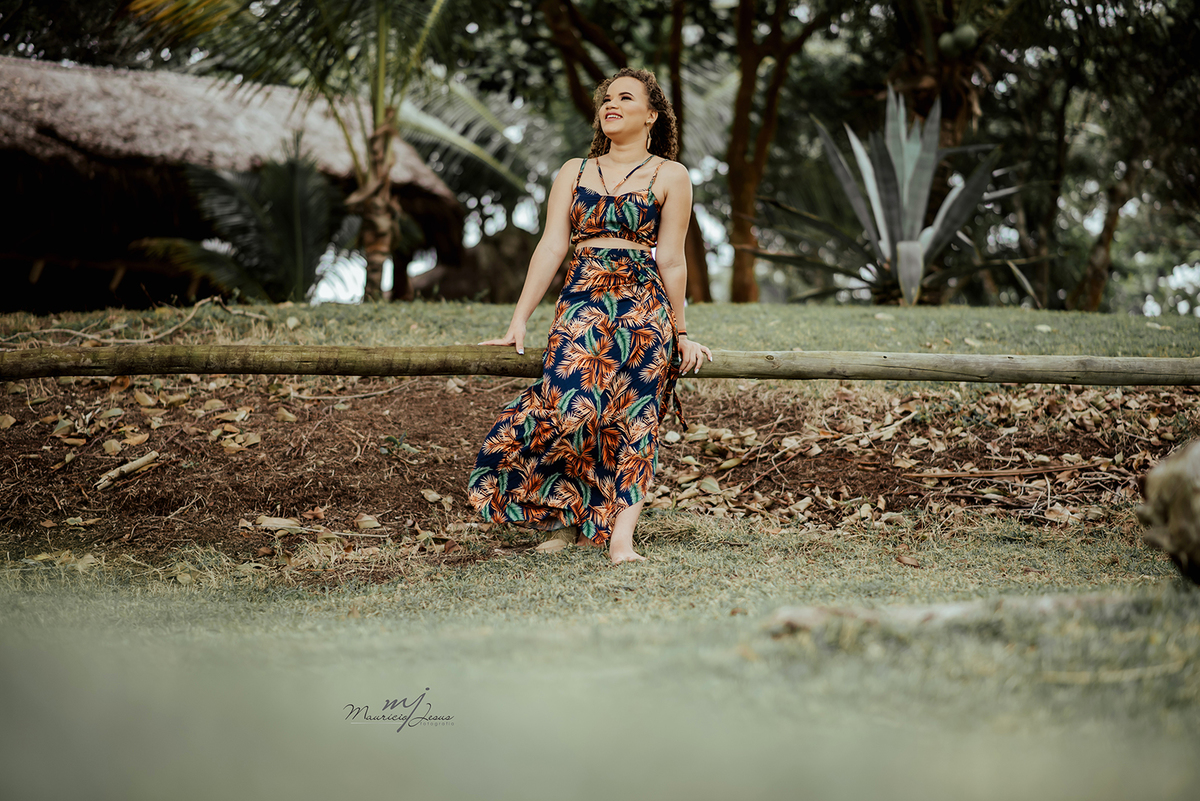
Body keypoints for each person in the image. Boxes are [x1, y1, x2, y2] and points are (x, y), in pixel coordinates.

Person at [467, 68, 712, 564]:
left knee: (635, 418)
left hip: (643, 310)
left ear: (652, 115)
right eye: (606, 98)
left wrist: (682, 331)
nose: (611, 105)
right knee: (568, 409)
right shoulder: (574, 171)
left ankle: (620, 539)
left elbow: (671, 259)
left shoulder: (671, 175)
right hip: (582, 302)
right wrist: (519, 319)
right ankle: (565, 515)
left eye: (626, 98)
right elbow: (551, 246)